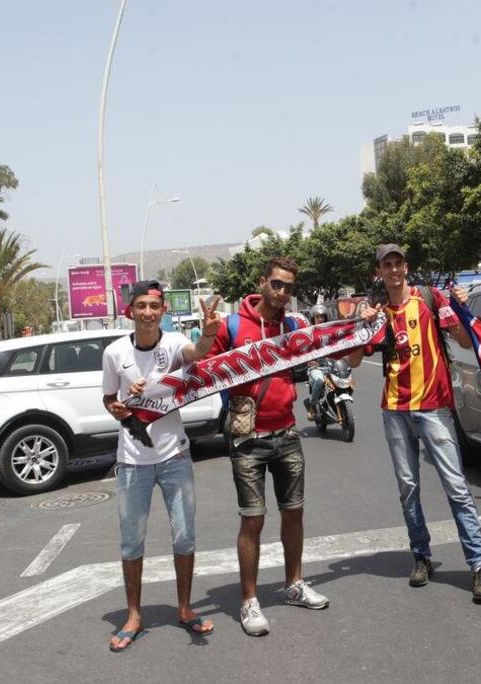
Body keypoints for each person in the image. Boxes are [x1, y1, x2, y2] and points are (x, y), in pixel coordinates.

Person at [349, 244, 481, 603]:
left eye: (399, 263)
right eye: (387, 265)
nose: (394, 270)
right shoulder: (379, 314)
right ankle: (421, 557)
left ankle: (478, 567)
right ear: (378, 272)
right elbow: (353, 361)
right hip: (395, 410)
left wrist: (463, 306)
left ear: (406, 267)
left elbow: (463, 339)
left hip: (433, 408)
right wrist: (359, 324)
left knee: (457, 488)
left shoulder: (430, 299)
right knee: (408, 488)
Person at [207, 257, 329, 637]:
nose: (282, 293)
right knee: (253, 521)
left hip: (288, 434)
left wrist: (360, 324)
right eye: (276, 285)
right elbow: (206, 371)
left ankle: (294, 584)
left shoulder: (293, 326)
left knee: (294, 513)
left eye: (289, 288)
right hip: (248, 440)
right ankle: (249, 601)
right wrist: (207, 336)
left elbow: (329, 346)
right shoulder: (232, 324)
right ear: (262, 283)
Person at [100, 281, 222, 652]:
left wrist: (209, 334)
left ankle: (185, 609)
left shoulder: (172, 343)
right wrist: (121, 406)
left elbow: (197, 351)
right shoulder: (114, 353)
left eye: (155, 306)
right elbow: (108, 400)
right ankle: (134, 615)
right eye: (141, 306)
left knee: (184, 535)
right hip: (133, 461)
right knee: (132, 540)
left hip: (175, 456)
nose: (148, 312)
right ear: (130, 311)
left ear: (163, 310)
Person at [303, 304, 331, 421]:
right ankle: (312, 406)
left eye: (322, 316)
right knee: (319, 381)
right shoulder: (308, 333)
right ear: (313, 318)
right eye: (318, 316)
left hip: (330, 365)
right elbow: (303, 350)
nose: (320, 319)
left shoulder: (330, 330)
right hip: (315, 367)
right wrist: (309, 360)